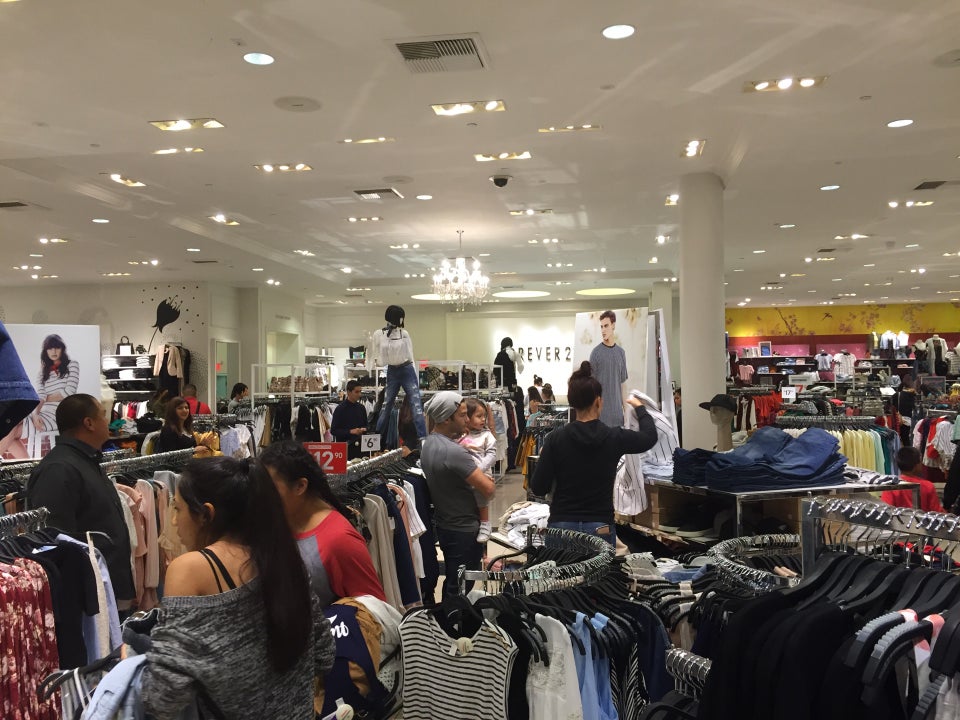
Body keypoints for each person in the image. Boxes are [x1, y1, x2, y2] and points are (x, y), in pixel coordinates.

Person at [132, 456, 335, 719]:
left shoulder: (190, 569)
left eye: (178, 508)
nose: (173, 521)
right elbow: (324, 655)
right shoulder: (283, 558)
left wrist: (130, 659)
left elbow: (162, 699)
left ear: (206, 514)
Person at [26, 394, 136, 606]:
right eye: (103, 415)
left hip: (104, 586)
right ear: (89, 423)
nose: (108, 421)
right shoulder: (59, 469)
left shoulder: (85, 461)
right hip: (88, 597)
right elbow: (56, 541)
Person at [530, 361, 657, 546]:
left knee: (562, 567)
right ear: (598, 401)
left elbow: (538, 487)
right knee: (599, 567)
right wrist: (640, 408)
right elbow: (649, 437)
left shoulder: (555, 439)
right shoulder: (614, 437)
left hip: (562, 525)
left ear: (572, 403)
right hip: (600, 526)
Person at [260, 441, 386, 606]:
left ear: (300, 486)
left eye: (269, 488)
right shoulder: (280, 522)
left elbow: (374, 611)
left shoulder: (339, 540)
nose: (261, 495)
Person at [420, 391, 496, 597]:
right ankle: (451, 616)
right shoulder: (455, 452)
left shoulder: (428, 444)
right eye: (462, 415)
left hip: (446, 525)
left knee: (454, 582)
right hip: (463, 529)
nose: (467, 419)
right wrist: (488, 482)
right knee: (460, 586)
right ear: (446, 419)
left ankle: (449, 613)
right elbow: (488, 490)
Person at [0, 333, 80, 458]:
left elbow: (69, 392)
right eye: (50, 348)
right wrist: (35, 414)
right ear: (45, 351)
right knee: (10, 423)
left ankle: (27, 464)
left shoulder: (72, 365)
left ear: (62, 349)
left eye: (57, 347)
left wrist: (45, 398)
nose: (53, 351)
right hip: (43, 413)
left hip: (61, 415)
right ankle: (27, 464)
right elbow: (40, 395)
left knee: (10, 429)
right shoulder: (43, 372)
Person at [371, 305, 427, 443]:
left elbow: (410, 355)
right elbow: (377, 355)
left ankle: (423, 438)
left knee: (415, 404)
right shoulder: (380, 334)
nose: (402, 320)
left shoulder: (404, 334)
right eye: (400, 317)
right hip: (392, 371)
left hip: (406, 369)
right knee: (386, 405)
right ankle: (376, 437)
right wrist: (373, 365)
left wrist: (414, 374)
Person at [457, 397, 498, 543]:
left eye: (484, 416)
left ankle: (485, 523)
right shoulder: (461, 435)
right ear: (467, 417)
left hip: (481, 473)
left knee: (481, 496)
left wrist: (478, 471)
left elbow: (492, 455)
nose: (483, 420)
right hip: (463, 474)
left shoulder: (486, 435)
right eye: (479, 416)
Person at [589, 310, 629, 428]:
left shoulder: (621, 353)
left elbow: (623, 385)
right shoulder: (595, 354)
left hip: (618, 417)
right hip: (601, 417)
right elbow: (591, 389)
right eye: (601, 327)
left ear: (613, 325)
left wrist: (626, 412)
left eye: (606, 326)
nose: (603, 330)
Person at [881, 446, 945, 512]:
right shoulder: (927, 486)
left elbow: (886, 510)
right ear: (916, 465)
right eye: (920, 461)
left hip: (898, 518)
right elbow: (936, 511)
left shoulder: (891, 486)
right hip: (921, 518)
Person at [331, 380, 369, 460]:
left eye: (360, 391)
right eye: (357, 392)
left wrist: (364, 429)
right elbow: (333, 431)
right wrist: (350, 431)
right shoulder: (340, 409)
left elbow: (366, 425)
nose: (359, 394)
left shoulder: (361, 408)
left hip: (361, 448)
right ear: (348, 392)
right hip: (345, 449)